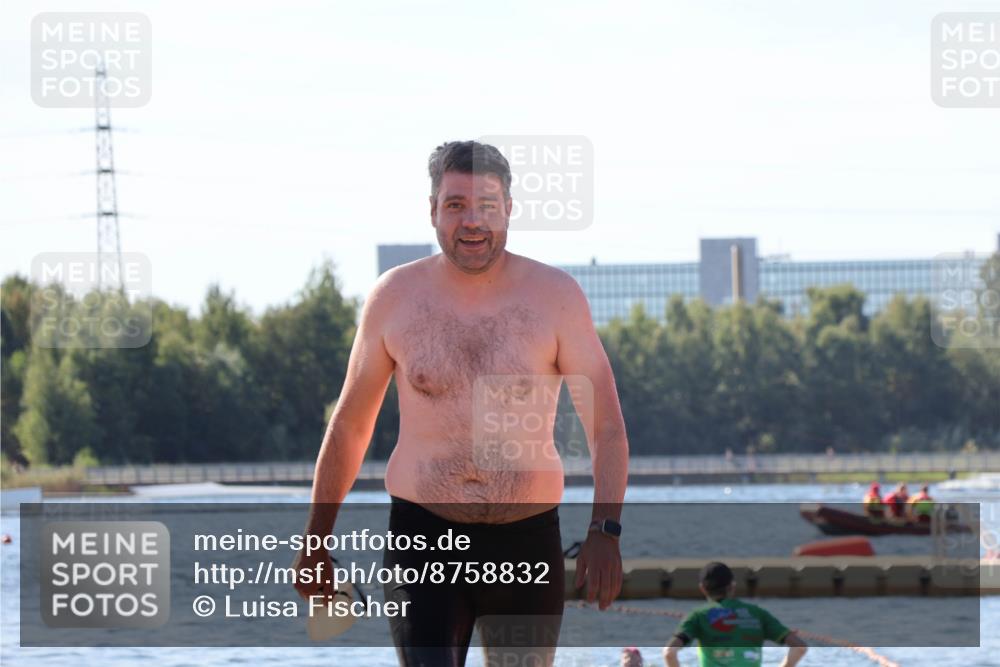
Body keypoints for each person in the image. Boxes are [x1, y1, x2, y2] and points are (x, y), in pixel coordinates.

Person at [292, 140, 630, 666]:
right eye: (455, 205)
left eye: (487, 206)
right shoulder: (395, 298)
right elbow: (350, 425)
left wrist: (604, 529)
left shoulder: (555, 297)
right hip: (422, 538)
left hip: (526, 542)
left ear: (509, 210)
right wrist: (316, 539)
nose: (472, 221)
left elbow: (605, 424)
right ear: (432, 211)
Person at [662, 562, 808, 667]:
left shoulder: (698, 615)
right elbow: (800, 647)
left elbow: (669, 653)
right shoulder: (757, 613)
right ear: (732, 586)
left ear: (702, 589)